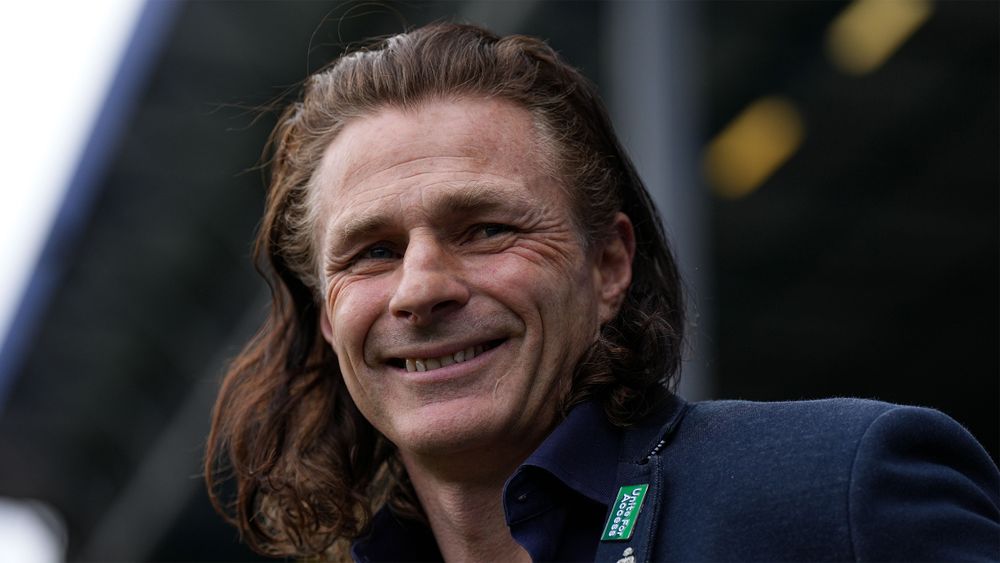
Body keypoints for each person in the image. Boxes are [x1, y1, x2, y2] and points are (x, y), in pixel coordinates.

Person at [204, 23, 999, 562]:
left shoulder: (840, 491)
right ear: (326, 313)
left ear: (609, 264)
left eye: (485, 228)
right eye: (373, 252)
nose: (420, 288)